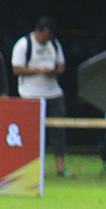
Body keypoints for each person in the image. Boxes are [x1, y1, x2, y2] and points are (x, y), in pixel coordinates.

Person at [11, 16, 70, 177]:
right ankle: (33, 167)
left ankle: (60, 166)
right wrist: (39, 71)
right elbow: (16, 69)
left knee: (58, 129)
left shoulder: (54, 44)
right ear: (38, 31)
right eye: (46, 36)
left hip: (53, 93)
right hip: (31, 94)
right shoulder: (24, 44)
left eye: (50, 37)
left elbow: (61, 65)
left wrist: (55, 72)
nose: (47, 40)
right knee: (32, 131)